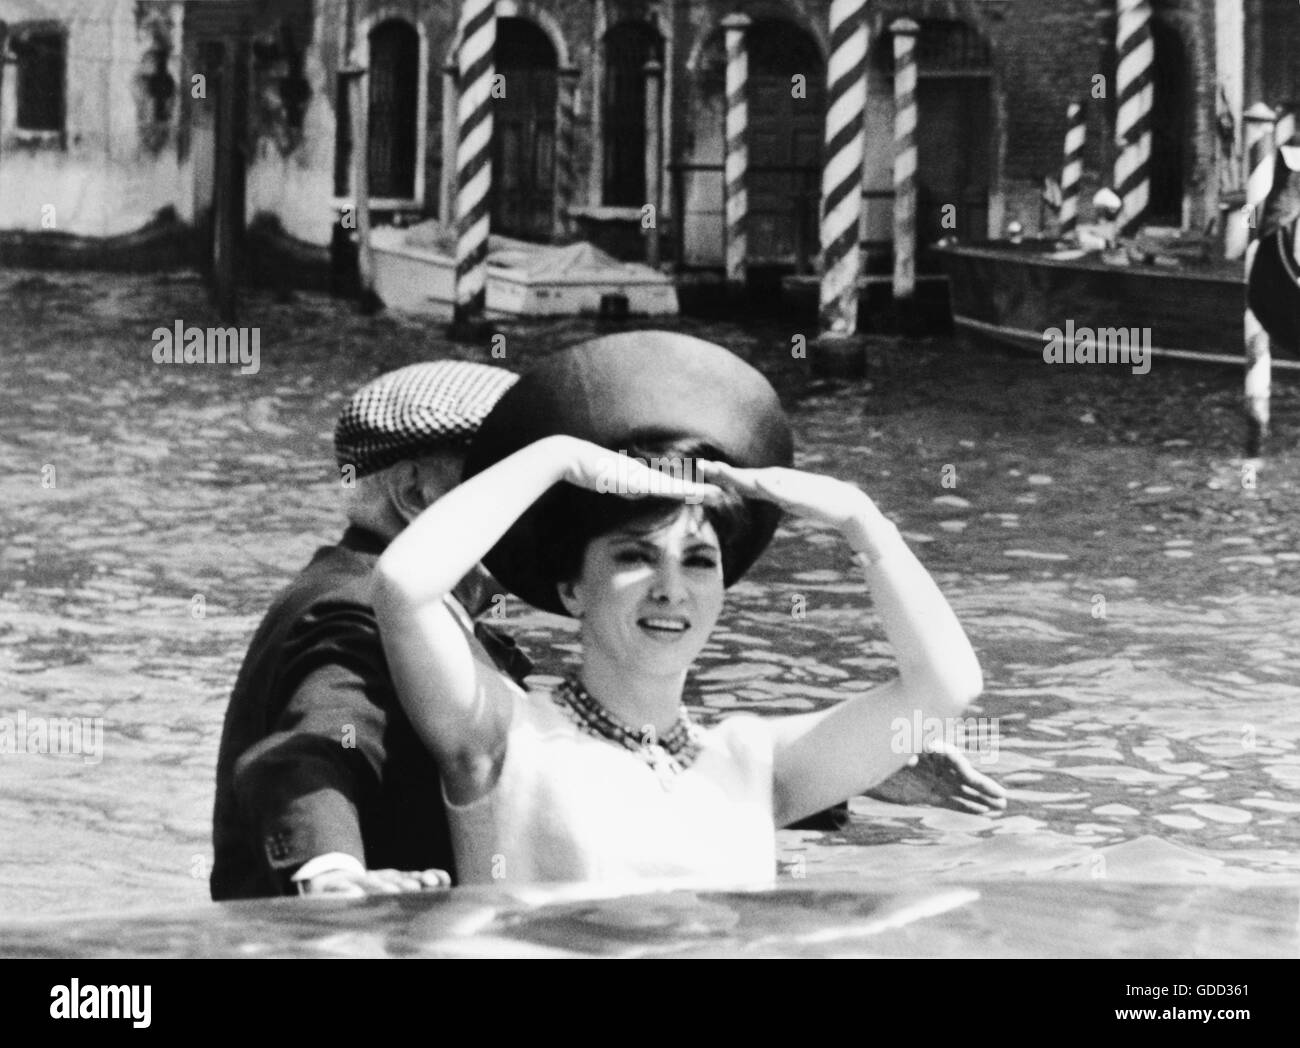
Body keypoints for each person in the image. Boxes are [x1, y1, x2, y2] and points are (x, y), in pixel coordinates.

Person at [373, 333, 996, 892]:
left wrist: (864, 522)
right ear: (572, 590)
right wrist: (559, 457)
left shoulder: (754, 762)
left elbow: (945, 687)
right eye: (636, 556)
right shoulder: (502, 736)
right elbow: (404, 586)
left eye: (699, 560)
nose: (671, 588)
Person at [210, 361, 526, 900]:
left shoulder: (352, 587)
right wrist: (332, 870)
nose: (535, 509)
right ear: (416, 494)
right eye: (505, 484)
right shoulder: (358, 608)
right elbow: (304, 752)